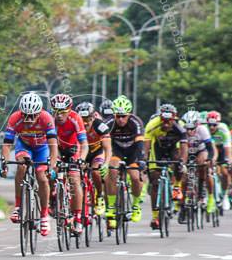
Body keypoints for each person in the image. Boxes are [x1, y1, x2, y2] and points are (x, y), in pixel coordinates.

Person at [0, 93, 59, 237]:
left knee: (42, 177)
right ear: (21, 112)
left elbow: (53, 145)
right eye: (26, 115)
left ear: (39, 112)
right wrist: (4, 163)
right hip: (24, 146)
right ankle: (18, 207)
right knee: (21, 165)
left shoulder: (46, 118)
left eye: (33, 116)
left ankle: (44, 215)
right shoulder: (15, 118)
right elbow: (7, 144)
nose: (29, 120)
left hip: (42, 148)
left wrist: (52, 164)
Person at [143, 103, 188, 229]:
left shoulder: (180, 127)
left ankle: (177, 187)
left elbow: (184, 147)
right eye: (164, 120)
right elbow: (146, 146)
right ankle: (155, 217)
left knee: (178, 162)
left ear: (174, 118)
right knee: (155, 181)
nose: (166, 124)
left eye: (169, 121)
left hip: (173, 148)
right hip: (157, 149)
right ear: (160, 118)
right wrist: (144, 160)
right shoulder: (152, 124)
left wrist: (182, 162)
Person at [50, 93, 88, 234]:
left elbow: (84, 144)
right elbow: (47, 143)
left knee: (74, 180)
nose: (59, 115)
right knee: (47, 173)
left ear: (69, 110)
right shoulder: (50, 119)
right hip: (56, 149)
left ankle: (77, 218)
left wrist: (82, 159)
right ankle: (52, 200)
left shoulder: (75, 118)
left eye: (63, 112)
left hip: (73, 150)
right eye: (56, 112)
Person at [105, 95, 145, 226]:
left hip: (132, 152)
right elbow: (103, 143)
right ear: (114, 114)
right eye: (118, 116)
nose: (121, 119)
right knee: (112, 170)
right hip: (117, 152)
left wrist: (141, 159)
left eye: (124, 116)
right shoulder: (109, 123)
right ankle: (111, 206)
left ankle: (135, 206)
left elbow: (140, 144)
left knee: (135, 177)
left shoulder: (136, 122)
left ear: (129, 114)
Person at [76, 102, 112, 217]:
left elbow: (107, 148)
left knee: (96, 172)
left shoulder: (100, 126)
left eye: (88, 119)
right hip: (82, 153)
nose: (85, 122)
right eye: (82, 119)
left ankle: (99, 196)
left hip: (97, 152)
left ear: (93, 117)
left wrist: (106, 163)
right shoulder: (75, 126)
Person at [180, 110, 217, 222]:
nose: (189, 131)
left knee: (204, 167)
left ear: (197, 125)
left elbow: (210, 148)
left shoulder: (203, 130)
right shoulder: (181, 130)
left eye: (192, 128)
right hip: (187, 151)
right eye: (187, 128)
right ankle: (182, 207)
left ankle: (209, 197)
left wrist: (209, 159)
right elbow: (179, 149)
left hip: (201, 150)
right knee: (184, 178)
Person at [206, 111, 232, 211]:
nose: (212, 127)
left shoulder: (223, 129)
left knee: (225, 172)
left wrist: (228, 161)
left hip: (221, 149)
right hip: (209, 150)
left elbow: (228, 148)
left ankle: (225, 195)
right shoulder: (205, 130)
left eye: (214, 125)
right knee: (207, 169)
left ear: (218, 123)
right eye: (210, 125)